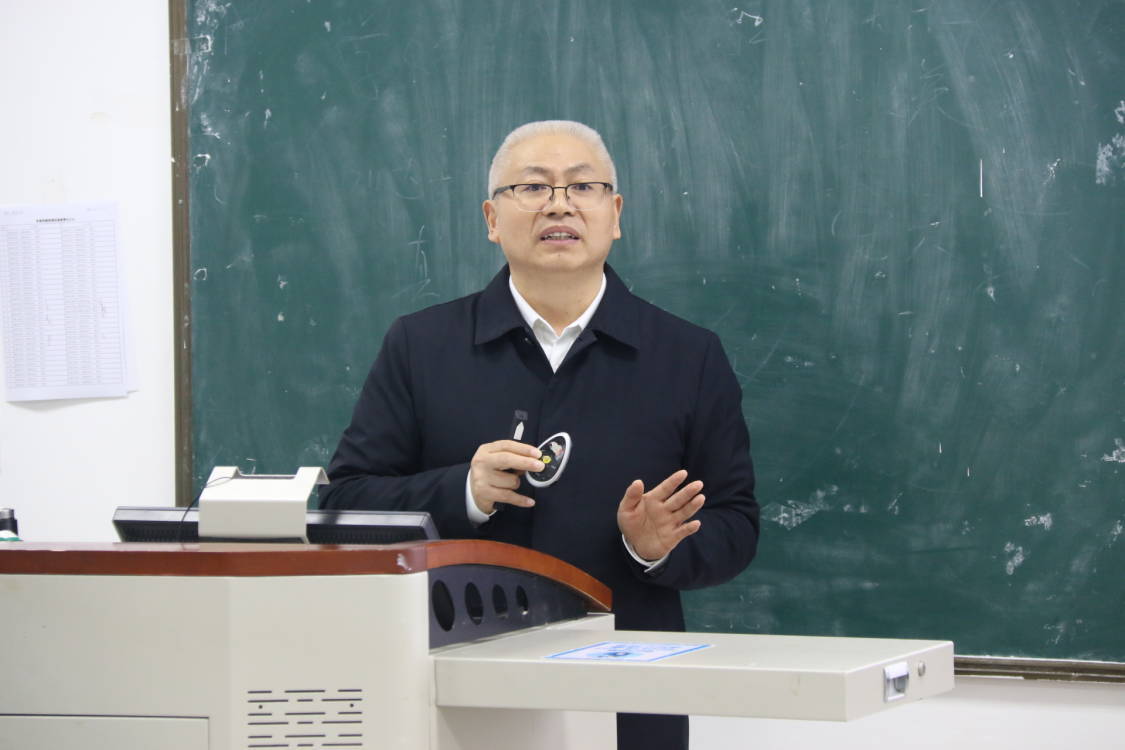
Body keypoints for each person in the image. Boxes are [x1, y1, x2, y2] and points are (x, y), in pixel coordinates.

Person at [321, 120, 760, 750]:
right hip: (457, 684)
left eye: (582, 186)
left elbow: (736, 524)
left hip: (630, 686)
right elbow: (344, 503)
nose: (559, 204)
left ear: (615, 214)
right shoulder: (421, 345)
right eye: (532, 187)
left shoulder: (688, 356)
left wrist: (657, 549)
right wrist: (463, 492)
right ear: (491, 219)